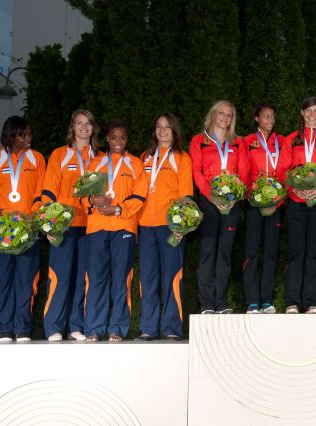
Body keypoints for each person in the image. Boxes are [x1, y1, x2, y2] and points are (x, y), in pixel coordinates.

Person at [81, 120, 148, 342]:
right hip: (97, 226)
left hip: (124, 226)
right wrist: (93, 199)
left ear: (126, 140)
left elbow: (140, 196)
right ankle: (94, 328)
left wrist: (119, 209)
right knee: (96, 279)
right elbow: (82, 197)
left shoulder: (135, 164)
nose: (118, 141)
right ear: (107, 139)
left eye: (122, 137)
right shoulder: (96, 163)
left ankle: (117, 328)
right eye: (113, 137)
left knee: (121, 279)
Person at [0, 116, 46, 343]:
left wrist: (30, 215)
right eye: (23, 134)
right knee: (3, 280)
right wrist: (0, 221)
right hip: (3, 231)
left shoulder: (37, 159)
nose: (28, 138)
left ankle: (22, 328)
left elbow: (40, 194)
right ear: (11, 135)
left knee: (27, 280)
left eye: (29, 134)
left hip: (29, 230)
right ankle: (3, 328)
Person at [41, 109, 101, 342]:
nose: (84, 127)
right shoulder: (59, 155)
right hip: (63, 224)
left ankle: (76, 325)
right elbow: (49, 190)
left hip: (90, 225)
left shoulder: (99, 157)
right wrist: (48, 225)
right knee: (59, 276)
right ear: (72, 127)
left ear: (93, 128)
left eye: (87, 123)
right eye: (79, 123)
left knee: (81, 277)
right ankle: (53, 326)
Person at [276, 96, 316, 314]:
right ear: (302, 113)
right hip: (296, 201)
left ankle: (311, 302)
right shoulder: (291, 139)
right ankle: (292, 302)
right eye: (308, 111)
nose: (312, 115)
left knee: (314, 253)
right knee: (296, 252)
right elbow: (282, 169)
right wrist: (293, 188)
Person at [190, 100, 249, 314]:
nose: (225, 118)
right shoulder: (199, 141)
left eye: (229, 115)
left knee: (224, 252)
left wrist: (235, 195)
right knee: (207, 251)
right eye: (221, 113)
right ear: (213, 115)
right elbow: (197, 172)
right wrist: (211, 195)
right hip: (209, 201)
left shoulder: (238, 142)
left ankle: (221, 301)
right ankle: (206, 302)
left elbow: (243, 172)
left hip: (232, 202)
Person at [137, 112, 192, 340]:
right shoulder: (145, 157)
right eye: (159, 126)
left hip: (170, 227)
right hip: (145, 226)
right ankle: (148, 327)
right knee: (148, 278)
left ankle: (171, 328)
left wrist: (181, 226)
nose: (162, 131)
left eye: (167, 127)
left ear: (174, 130)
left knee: (171, 276)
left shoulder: (181, 158)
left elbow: (186, 197)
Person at [242, 103, 283, 314]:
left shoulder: (281, 141)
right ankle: (252, 301)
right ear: (256, 118)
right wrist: (253, 195)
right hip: (253, 204)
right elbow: (243, 170)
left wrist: (278, 199)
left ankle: (266, 300)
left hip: (276, 204)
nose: (270, 120)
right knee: (251, 251)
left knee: (270, 252)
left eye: (273, 116)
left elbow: (285, 170)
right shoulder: (247, 142)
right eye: (266, 116)